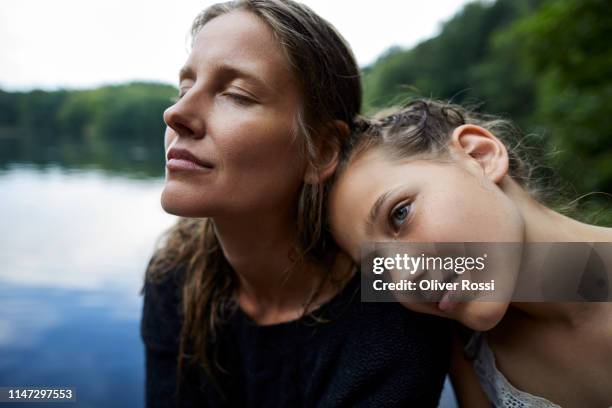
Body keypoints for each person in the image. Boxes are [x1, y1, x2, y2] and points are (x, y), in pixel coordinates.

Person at [140, 2, 452, 407]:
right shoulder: (176, 275)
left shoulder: (395, 293)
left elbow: (553, 272)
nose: (176, 113)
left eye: (235, 94)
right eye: (184, 89)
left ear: (320, 150)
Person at [328, 99, 612, 408]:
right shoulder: (473, 362)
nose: (405, 276)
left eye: (399, 214)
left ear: (480, 156)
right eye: (377, 266)